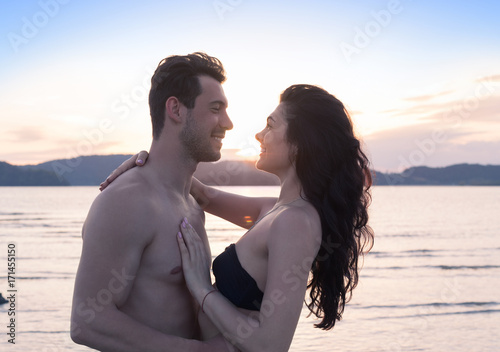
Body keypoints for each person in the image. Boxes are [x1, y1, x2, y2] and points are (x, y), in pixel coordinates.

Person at [101, 84, 375, 351]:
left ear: (301, 142)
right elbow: (203, 194)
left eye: (270, 125)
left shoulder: (296, 223)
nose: (258, 134)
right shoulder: (273, 210)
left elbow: (271, 345)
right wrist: (147, 162)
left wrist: (201, 287)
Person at [71, 52, 236, 351]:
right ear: (175, 109)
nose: (228, 123)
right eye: (216, 109)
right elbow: (88, 321)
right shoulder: (127, 201)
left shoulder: (192, 205)